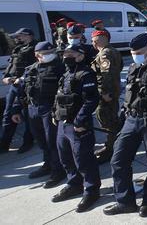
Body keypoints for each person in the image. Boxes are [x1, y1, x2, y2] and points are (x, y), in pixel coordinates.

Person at [104, 33, 147, 217]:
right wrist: (121, 119)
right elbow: (128, 96)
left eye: (139, 52)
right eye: (133, 53)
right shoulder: (134, 67)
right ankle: (125, 201)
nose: (135, 55)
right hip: (131, 120)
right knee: (118, 160)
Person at [51, 43, 101, 212]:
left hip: (78, 125)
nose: (66, 56)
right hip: (63, 123)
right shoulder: (66, 74)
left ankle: (92, 190)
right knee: (65, 156)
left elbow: (91, 100)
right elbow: (58, 96)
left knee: (83, 159)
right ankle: (74, 184)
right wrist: (54, 114)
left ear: (80, 55)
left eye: (70, 53)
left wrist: (80, 121)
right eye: (65, 53)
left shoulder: (86, 74)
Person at [11, 41, 66, 187]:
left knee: (52, 141)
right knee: (41, 141)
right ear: (37, 55)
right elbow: (21, 91)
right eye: (45, 54)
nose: (49, 55)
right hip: (32, 109)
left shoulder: (60, 68)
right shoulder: (30, 69)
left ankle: (58, 171)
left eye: (51, 52)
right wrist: (16, 109)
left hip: (50, 110)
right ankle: (47, 165)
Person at [0, 27, 36, 153]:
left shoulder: (35, 49)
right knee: (8, 114)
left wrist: (21, 78)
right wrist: (6, 77)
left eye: (19, 36)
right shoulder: (18, 48)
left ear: (29, 36)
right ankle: (4, 144)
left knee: (27, 115)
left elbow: (35, 68)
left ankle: (28, 142)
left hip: (27, 85)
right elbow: (12, 65)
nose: (16, 38)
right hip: (14, 85)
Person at [90, 30, 123, 164]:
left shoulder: (105, 53)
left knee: (107, 121)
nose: (92, 42)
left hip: (106, 94)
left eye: (94, 39)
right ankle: (111, 146)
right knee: (111, 120)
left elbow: (106, 75)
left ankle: (111, 150)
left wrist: (104, 93)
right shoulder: (113, 51)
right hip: (112, 91)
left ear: (100, 39)